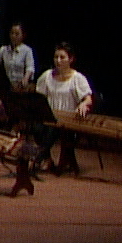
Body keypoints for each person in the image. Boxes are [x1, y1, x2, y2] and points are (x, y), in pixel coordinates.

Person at [36, 43, 94, 176]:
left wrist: (84, 104)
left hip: (68, 120)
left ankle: (37, 157)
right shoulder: (47, 76)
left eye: (62, 57)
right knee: (37, 128)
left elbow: (88, 98)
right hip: (49, 116)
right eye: (56, 57)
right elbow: (39, 96)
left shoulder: (77, 78)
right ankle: (46, 158)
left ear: (71, 59)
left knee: (52, 129)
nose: (58, 60)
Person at [0, 23, 36, 91]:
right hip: (9, 85)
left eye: (17, 34)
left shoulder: (27, 50)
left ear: (23, 35)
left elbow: (30, 67)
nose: (14, 36)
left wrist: (25, 78)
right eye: (12, 33)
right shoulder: (4, 50)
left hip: (22, 86)